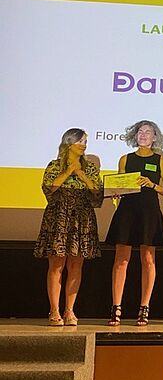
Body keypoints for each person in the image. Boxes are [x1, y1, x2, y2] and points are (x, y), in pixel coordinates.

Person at [105, 120, 163, 326]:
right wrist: (115, 191)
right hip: (127, 211)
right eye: (140, 132)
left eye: (148, 132)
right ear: (135, 136)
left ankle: (144, 307)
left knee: (148, 259)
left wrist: (152, 185)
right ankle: (116, 307)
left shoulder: (160, 160)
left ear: (155, 137)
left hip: (149, 212)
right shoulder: (125, 159)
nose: (143, 135)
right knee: (121, 260)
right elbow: (119, 184)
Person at [34, 128, 102, 326]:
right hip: (59, 217)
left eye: (85, 142)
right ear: (68, 143)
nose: (84, 145)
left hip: (82, 218)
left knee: (76, 265)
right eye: (80, 141)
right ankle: (54, 310)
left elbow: (97, 193)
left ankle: (69, 310)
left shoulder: (90, 168)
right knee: (56, 265)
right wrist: (68, 172)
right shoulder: (54, 165)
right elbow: (49, 188)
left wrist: (81, 173)